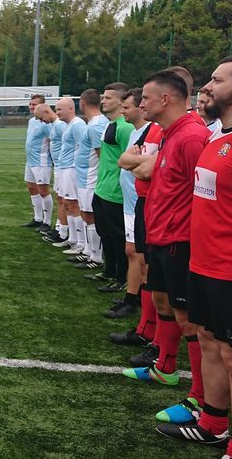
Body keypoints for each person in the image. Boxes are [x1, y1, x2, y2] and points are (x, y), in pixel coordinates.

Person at [157, 53, 232, 456]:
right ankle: (212, 424)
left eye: (216, 79)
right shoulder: (217, 136)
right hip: (204, 264)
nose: (207, 87)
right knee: (210, 344)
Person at [122, 70, 209, 429]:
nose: (140, 103)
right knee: (162, 302)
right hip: (161, 236)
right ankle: (165, 368)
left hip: (179, 241)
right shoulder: (170, 134)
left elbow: (204, 196)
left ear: (166, 99)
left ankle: (200, 399)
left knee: (189, 320)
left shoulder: (192, 137)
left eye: (145, 97)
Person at [105, 88, 148, 319]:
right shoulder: (135, 132)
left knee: (137, 253)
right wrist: (131, 161)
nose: (123, 111)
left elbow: (142, 168)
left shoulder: (150, 132)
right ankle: (133, 296)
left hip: (139, 202)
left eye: (127, 107)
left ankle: (134, 300)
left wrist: (133, 161)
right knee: (132, 251)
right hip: (130, 202)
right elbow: (124, 161)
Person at [92, 83, 133, 297]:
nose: (103, 101)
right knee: (105, 233)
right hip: (102, 189)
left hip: (116, 192)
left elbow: (129, 161)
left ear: (120, 100)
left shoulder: (125, 127)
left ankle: (121, 278)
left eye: (108, 98)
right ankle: (109, 271)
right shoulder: (111, 124)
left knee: (118, 237)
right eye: (103, 97)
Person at [70, 89, 108, 270]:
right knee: (86, 215)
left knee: (89, 216)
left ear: (82, 103)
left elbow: (103, 156)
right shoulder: (94, 123)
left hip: (90, 178)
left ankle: (96, 257)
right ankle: (88, 251)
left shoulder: (96, 125)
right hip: (85, 176)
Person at [52, 97, 88, 255]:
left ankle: (81, 243)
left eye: (60, 109)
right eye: (56, 109)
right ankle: (73, 239)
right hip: (65, 168)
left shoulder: (78, 125)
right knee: (67, 203)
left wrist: (76, 167)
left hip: (72, 169)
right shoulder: (69, 125)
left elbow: (84, 147)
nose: (57, 112)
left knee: (73, 204)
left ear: (71, 109)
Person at [35, 104, 68, 243]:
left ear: (46, 111)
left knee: (65, 200)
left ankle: (63, 231)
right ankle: (60, 228)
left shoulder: (60, 125)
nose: (42, 121)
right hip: (59, 167)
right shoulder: (55, 125)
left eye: (41, 118)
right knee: (60, 198)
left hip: (64, 167)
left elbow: (70, 144)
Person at [21, 95, 53, 231]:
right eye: (30, 104)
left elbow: (52, 141)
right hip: (30, 161)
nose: (31, 107)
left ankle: (47, 222)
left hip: (41, 162)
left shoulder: (46, 123)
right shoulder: (31, 121)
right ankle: (37, 218)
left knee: (43, 191)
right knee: (32, 189)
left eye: (34, 104)